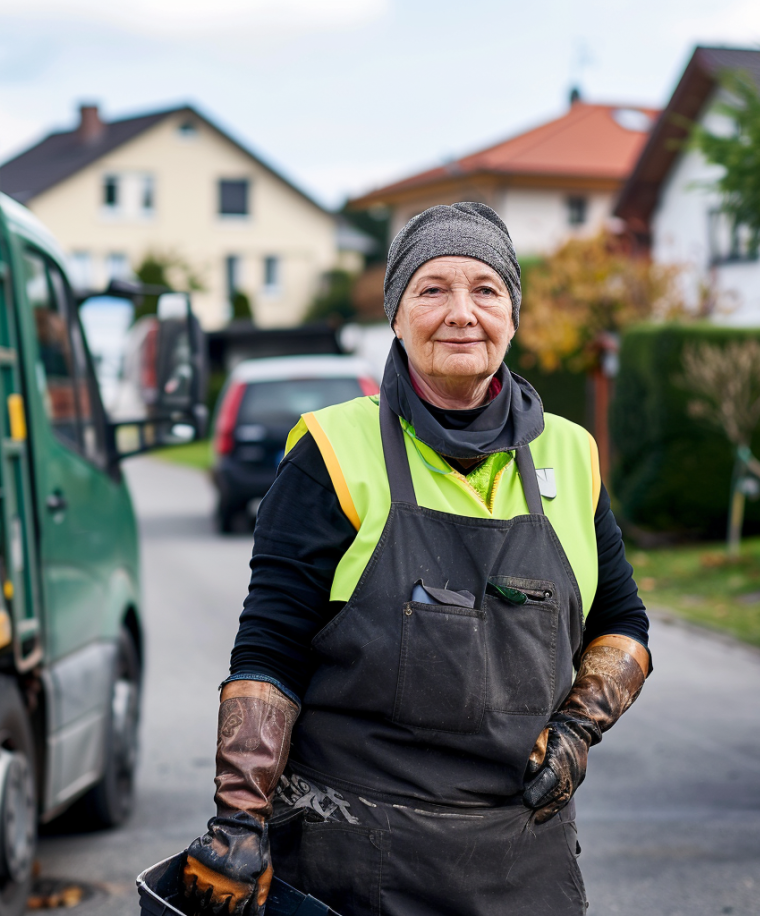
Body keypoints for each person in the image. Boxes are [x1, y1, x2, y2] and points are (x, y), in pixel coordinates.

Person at [182, 203, 651, 916]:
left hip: (524, 857)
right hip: (357, 857)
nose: (462, 313)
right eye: (432, 289)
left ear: (512, 316)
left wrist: (577, 731)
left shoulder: (571, 455)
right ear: (396, 317)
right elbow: (269, 650)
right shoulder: (331, 452)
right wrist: (239, 818)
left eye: (486, 290)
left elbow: (623, 623)